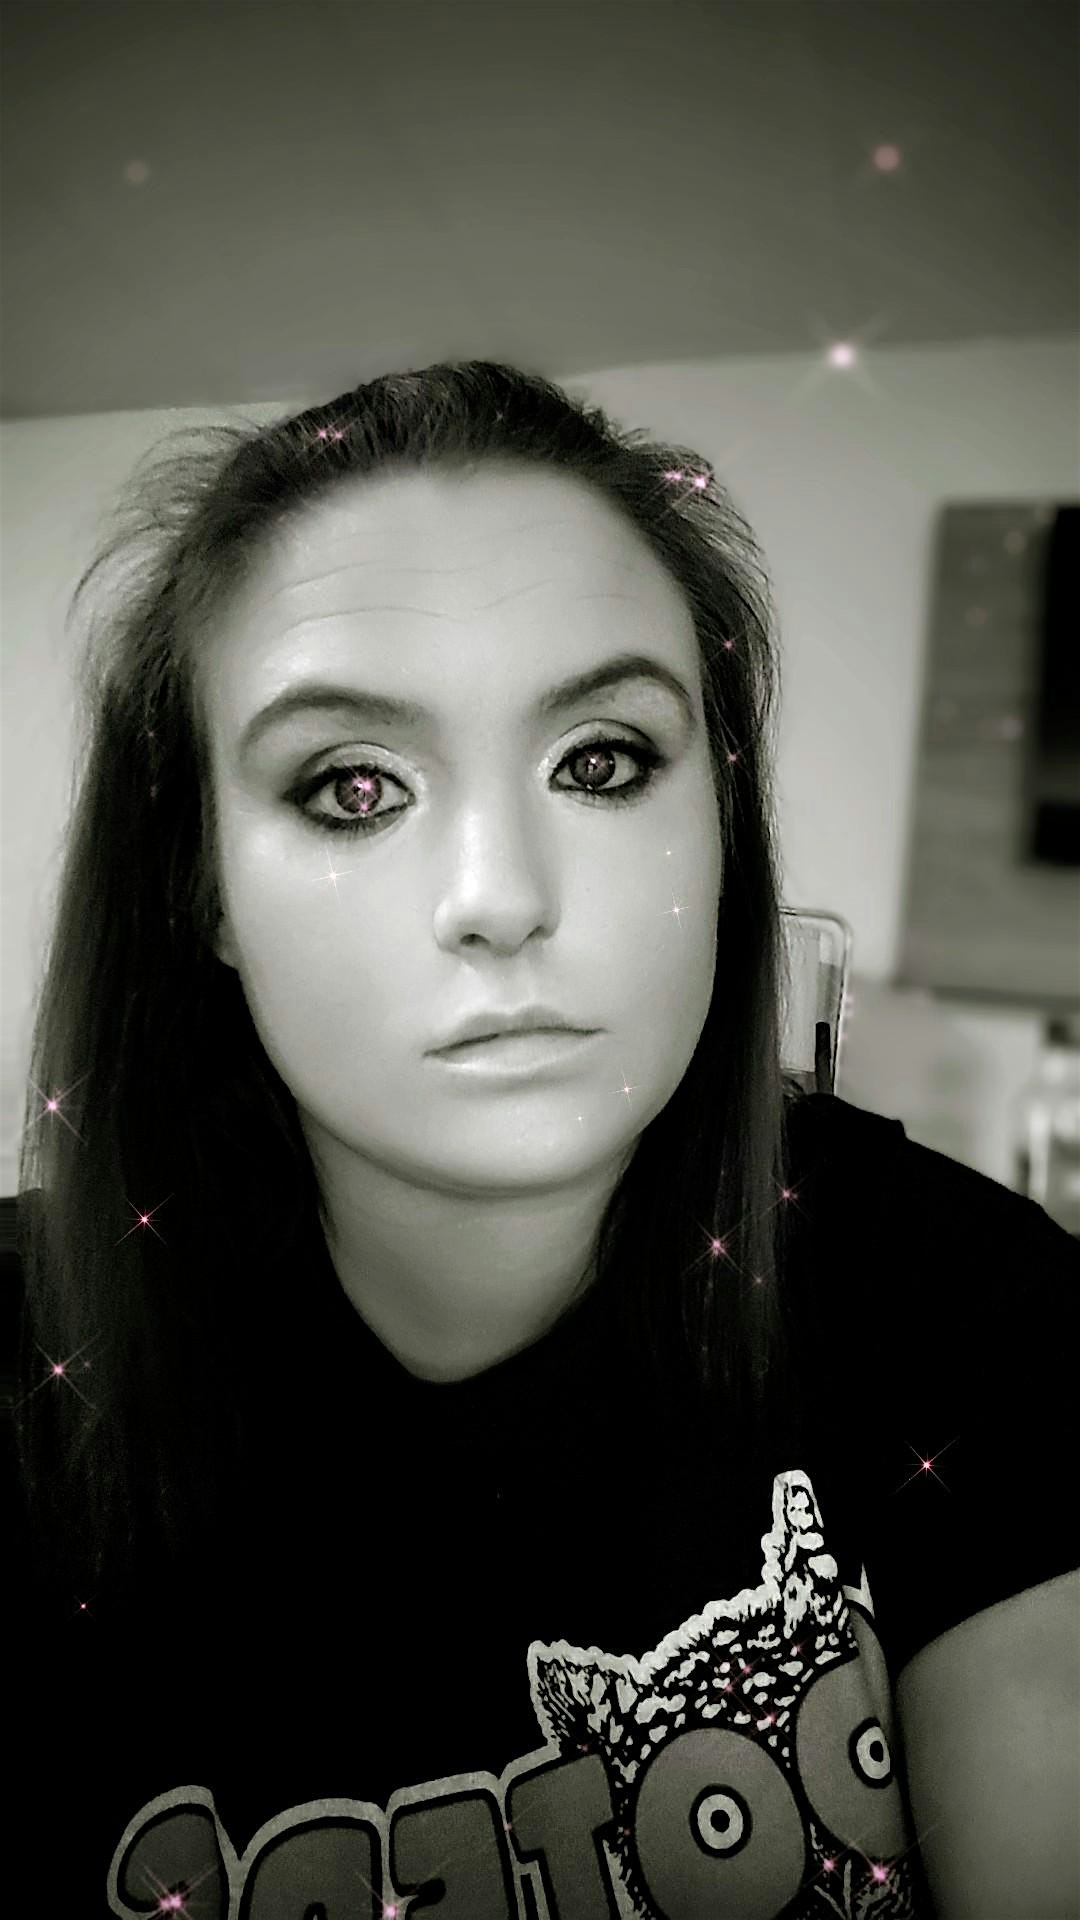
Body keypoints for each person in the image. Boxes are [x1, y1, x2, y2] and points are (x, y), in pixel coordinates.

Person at [6, 360, 1077, 1918]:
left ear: (721, 825)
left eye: (603, 762)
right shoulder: (27, 1374)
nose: (500, 896)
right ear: (201, 891)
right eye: (354, 786)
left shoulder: (964, 1306)